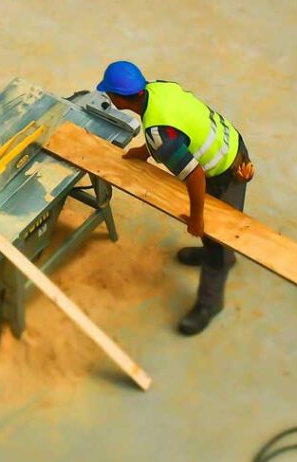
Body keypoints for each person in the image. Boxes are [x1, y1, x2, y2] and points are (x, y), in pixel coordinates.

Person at [96, 60, 254, 336]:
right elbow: (173, 126)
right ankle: (214, 251)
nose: (107, 97)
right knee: (214, 237)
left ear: (120, 99)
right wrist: (145, 152)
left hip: (225, 171)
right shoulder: (158, 89)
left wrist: (196, 219)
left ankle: (210, 301)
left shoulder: (160, 136)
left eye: (108, 94)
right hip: (231, 142)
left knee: (217, 239)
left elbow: (195, 177)